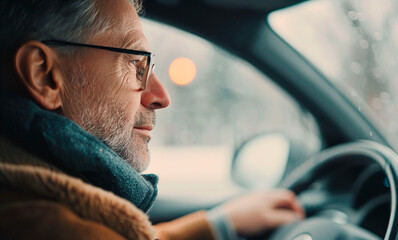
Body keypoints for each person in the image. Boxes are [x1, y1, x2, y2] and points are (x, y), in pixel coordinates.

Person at [0, 0, 305, 239]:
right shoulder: (54, 226)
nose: (161, 96)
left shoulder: (36, 209)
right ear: (44, 75)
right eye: (136, 64)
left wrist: (217, 225)